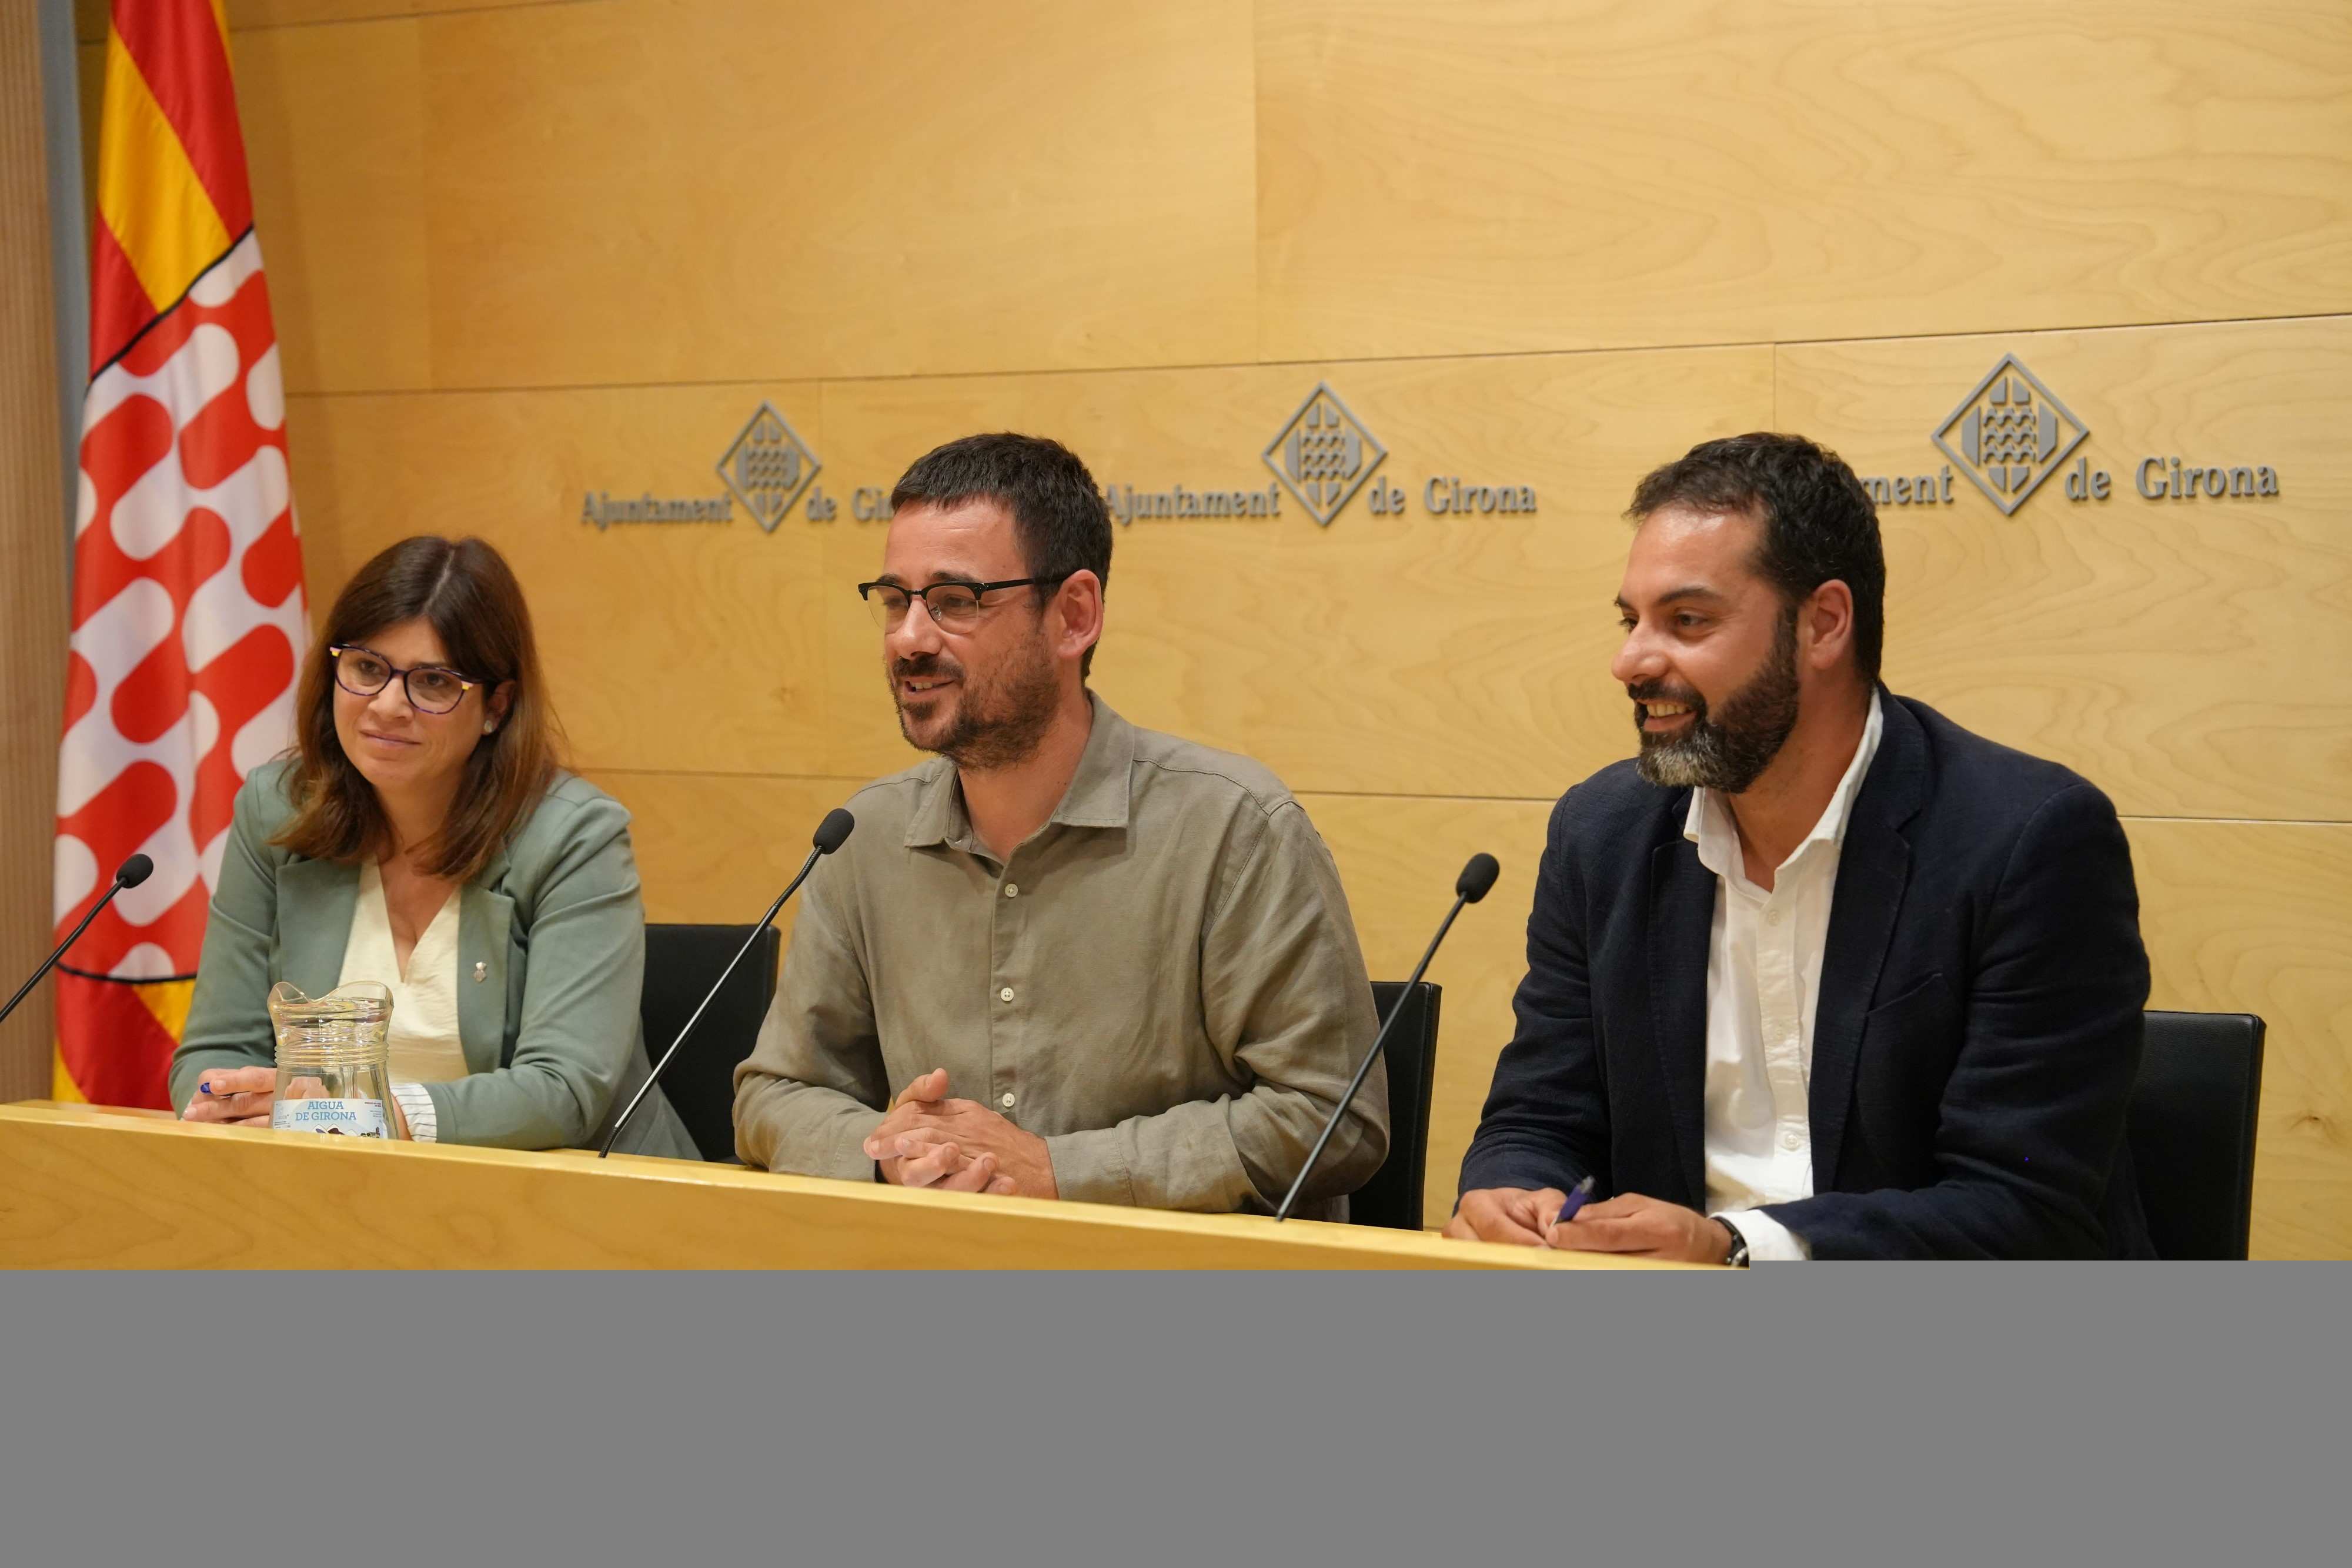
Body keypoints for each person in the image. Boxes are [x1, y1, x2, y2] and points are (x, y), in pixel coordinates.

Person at [1445, 433, 2153, 1261]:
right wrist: (1514, 1191)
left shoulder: (2025, 840)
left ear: (1824, 624)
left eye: (1686, 620)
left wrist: (1738, 1248)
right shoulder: (1601, 835)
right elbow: (1539, 1115)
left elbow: (2024, 1206)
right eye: (1631, 620)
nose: (1629, 660)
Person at [733, 433, 1386, 1216]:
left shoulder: (1234, 831)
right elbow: (775, 1093)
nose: (908, 638)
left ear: (1074, 615)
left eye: (955, 601)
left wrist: (1059, 1169)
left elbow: (1332, 1118)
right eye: (895, 600)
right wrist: (891, 1153)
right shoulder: (861, 838)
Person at [172, 536, 697, 1158]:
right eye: (367, 669)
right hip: (326, 1191)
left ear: (497, 706)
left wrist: (371, 1117)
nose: (388, 706)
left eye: (433, 682)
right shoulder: (277, 812)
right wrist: (227, 1098)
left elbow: (564, 1089)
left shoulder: (573, 838)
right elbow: (215, 1049)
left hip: (567, 1199)